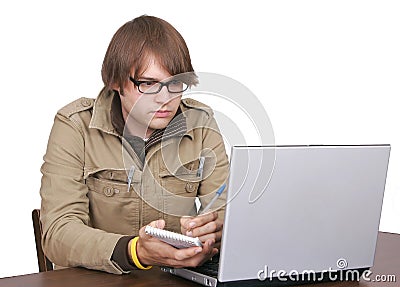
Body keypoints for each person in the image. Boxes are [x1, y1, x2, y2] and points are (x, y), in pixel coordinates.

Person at [39, 15, 229, 274]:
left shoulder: (201, 124)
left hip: (172, 281)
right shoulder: (75, 126)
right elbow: (58, 233)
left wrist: (216, 231)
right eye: (148, 84)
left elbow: (228, 214)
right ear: (116, 82)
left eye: (175, 83)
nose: (165, 99)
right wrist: (135, 251)